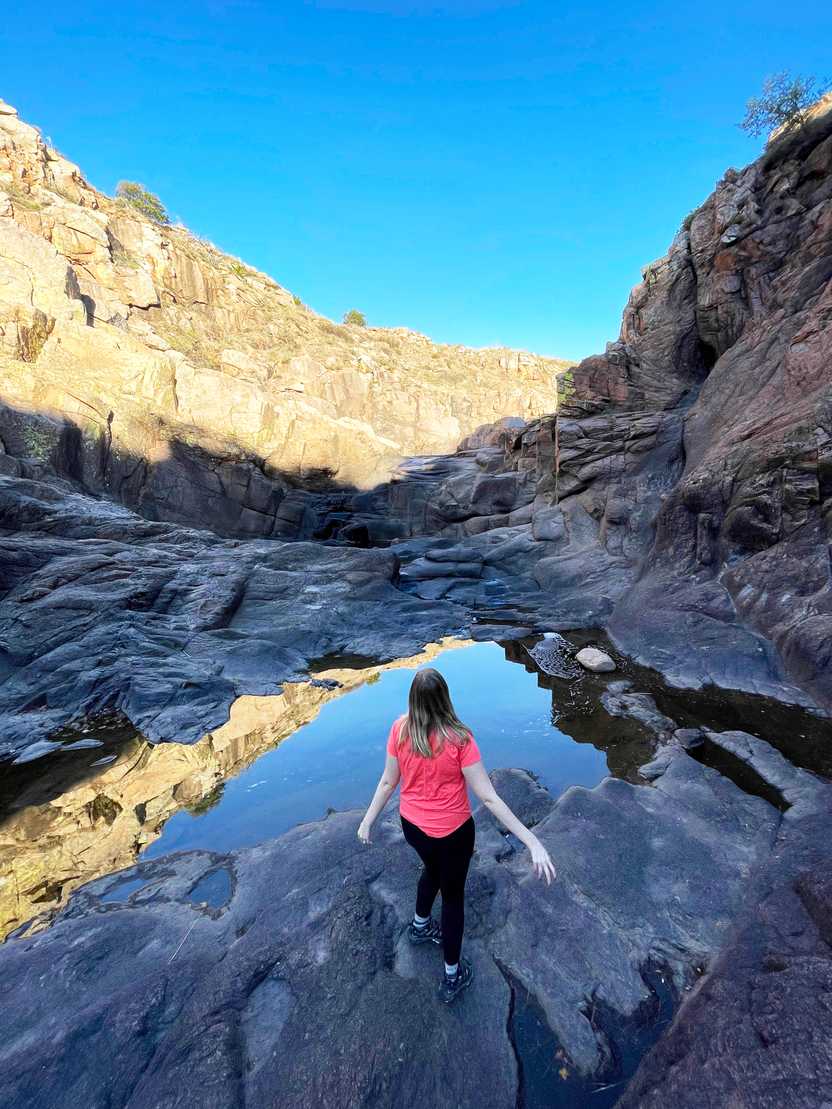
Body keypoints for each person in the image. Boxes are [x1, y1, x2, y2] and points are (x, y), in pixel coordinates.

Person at [357, 667, 557, 1004]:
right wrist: (532, 841)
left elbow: (388, 781)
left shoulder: (399, 729)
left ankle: (420, 926)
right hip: (452, 835)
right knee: (452, 899)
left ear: (414, 700)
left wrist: (368, 820)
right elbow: (489, 797)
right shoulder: (460, 739)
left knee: (431, 870)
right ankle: (452, 975)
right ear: (445, 698)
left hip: (413, 828)